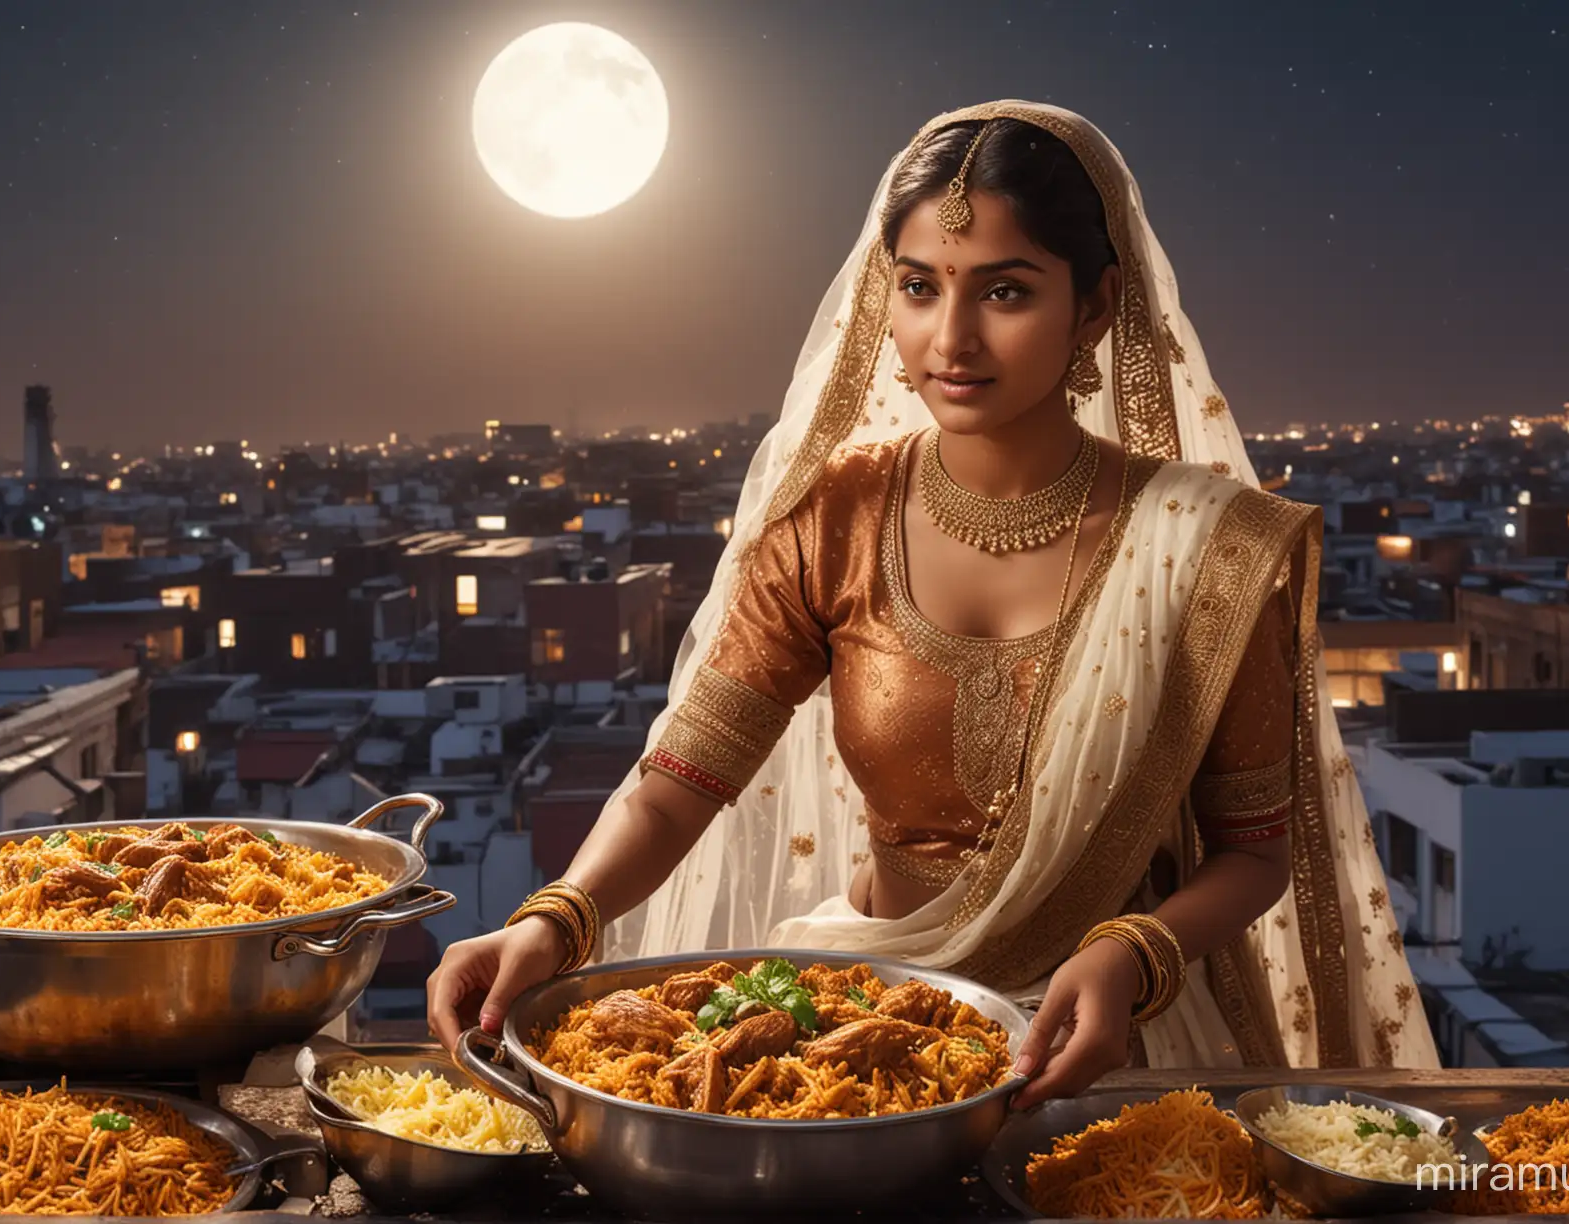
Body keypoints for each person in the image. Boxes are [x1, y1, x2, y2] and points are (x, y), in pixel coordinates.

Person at [427, 101, 1439, 1107]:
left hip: (1105, 1039)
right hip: (859, 1026)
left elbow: (1254, 853)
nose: (951, 337)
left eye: (1006, 291)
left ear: (1094, 307)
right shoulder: (837, 519)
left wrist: (1135, 954)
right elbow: (681, 780)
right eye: (919, 287)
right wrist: (553, 918)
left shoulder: (1209, 549)